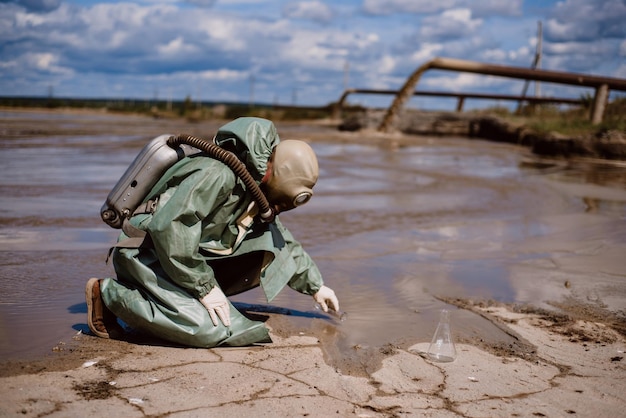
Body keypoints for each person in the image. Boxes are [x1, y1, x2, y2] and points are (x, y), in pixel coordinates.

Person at [86, 117, 339, 347]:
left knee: (270, 242)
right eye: (277, 202)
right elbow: (172, 226)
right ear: (273, 175)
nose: (272, 209)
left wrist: (317, 287)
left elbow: (281, 240)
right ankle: (108, 295)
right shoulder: (219, 173)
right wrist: (205, 288)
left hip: (177, 257)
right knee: (210, 331)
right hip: (146, 255)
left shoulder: (249, 187)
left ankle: (176, 301)